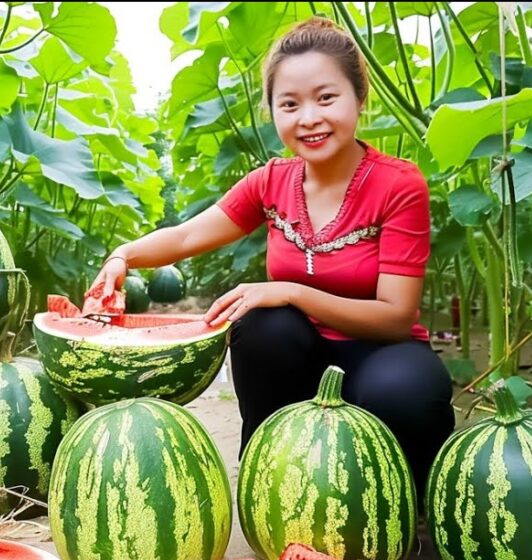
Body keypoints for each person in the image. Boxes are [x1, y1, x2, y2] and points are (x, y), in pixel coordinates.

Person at [90, 17, 454, 495]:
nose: (309, 118)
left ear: (359, 98)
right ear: (274, 113)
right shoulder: (271, 182)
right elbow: (183, 238)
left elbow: (393, 317)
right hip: (296, 356)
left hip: (380, 352)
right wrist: (122, 257)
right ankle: (272, 480)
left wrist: (290, 291)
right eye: (290, 104)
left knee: (406, 392)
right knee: (260, 326)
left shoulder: (398, 184)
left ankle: (404, 494)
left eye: (326, 98)